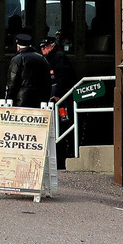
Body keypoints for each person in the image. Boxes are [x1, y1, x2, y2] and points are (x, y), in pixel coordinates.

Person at [40, 36, 74, 168]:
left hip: (61, 101)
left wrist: (59, 95)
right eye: (41, 47)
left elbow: (63, 77)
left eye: (45, 46)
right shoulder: (45, 58)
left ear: (52, 45)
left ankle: (65, 157)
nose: (43, 49)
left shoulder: (59, 57)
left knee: (63, 126)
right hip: (50, 99)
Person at [4, 33, 49, 108]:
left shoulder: (18, 59)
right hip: (39, 101)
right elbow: (48, 81)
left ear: (18, 46)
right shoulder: (42, 58)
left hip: (20, 101)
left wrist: (8, 99)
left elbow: (12, 82)